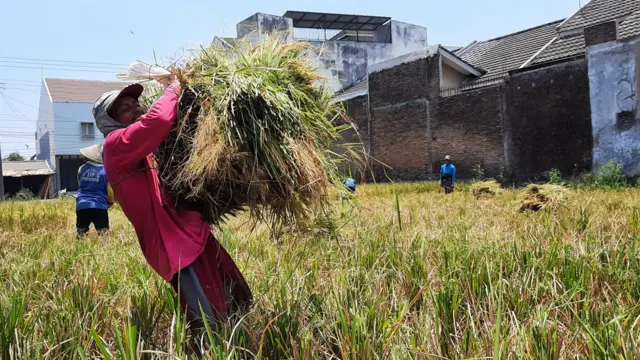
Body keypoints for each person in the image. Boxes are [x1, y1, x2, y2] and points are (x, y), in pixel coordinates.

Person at [93, 76, 252, 330]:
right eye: (125, 108)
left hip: (189, 232)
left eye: (136, 103)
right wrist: (174, 87)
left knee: (236, 298)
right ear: (108, 122)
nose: (135, 107)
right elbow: (157, 121)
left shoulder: (146, 150)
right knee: (208, 322)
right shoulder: (116, 144)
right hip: (173, 245)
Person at [76, 144, 114, 237]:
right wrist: (111, 201)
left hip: (82, 204)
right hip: (99, 205)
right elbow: (110, 190)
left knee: (81, 233)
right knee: (103, 235)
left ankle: (80, 249)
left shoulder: (81, 168)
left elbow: (80, 184)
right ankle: (104, 251)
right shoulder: (106, 171)